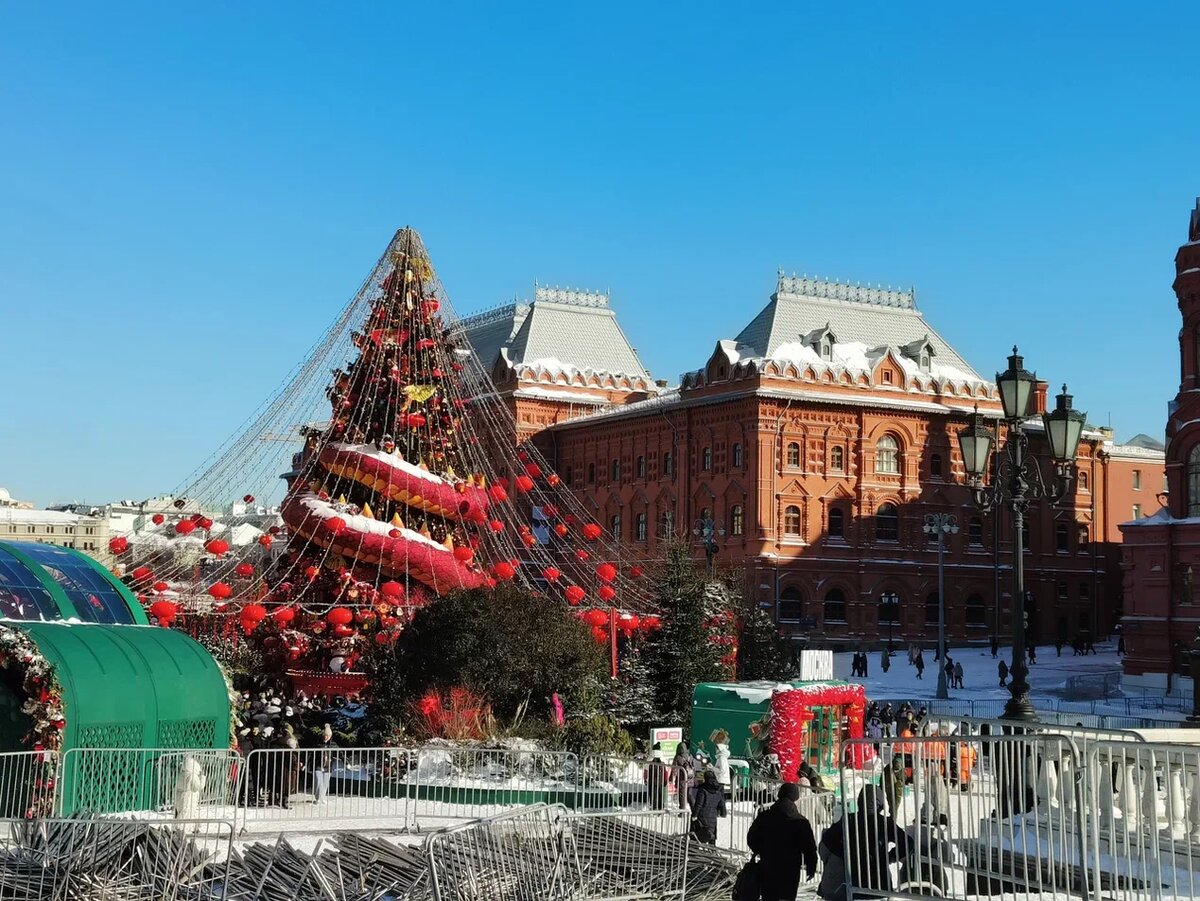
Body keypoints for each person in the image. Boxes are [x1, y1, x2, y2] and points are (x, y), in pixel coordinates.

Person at [747, 783, 819, 901]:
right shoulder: (800, 821)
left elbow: (751, 838)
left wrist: (762, 850)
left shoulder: (765, 816)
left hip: (768, 865)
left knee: (769, 896)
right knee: (787, 896)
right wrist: (811, 866)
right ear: (795, 799)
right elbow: (809, 847)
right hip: (791, 868)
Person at [846, 785, 908, 898]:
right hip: (880, 884)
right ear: (880, 803)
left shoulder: (848, 820)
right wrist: (890, 857)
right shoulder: (884, 823)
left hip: (852, 882)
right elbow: (908, 843)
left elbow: (827, 843)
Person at [688, 770, 726, 844]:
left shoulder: (703, 790)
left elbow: (699, 804)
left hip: (702, 817)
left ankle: (695, 851)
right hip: (713, 818)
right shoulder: (718, 790)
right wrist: (723, 813)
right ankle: (712, 852)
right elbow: (722, 803)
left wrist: (694, 815)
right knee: (711, 835)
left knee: (698, 835)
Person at [311, 722, 337, 804]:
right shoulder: (318, 744)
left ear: (330, 736)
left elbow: (341, 754)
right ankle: (318, 798)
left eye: (327, 736)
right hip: (318, 764)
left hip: (328, 766)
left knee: (325, 782)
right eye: (325, 735)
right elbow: (311, 754)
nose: (326, 737)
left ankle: (322, 797)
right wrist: (305, 763)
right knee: (318, 781)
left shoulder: (333, 745)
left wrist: (346, 762)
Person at [672, 741, 695, 811]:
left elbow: (674, 768)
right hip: (690, 779)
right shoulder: (690, 756)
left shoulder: (677, 757)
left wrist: (671, 777)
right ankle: (694, 809)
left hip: (682, 779)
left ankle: (682, 810)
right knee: (689, 795)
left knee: (682, 795)